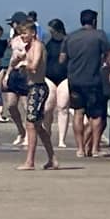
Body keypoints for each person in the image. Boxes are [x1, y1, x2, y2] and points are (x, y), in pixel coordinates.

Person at [64, 9, 110, 158]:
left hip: (74, 80)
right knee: (96, 115)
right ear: (94, 21)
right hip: (93, 81)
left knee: (78, 113)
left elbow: (62, 59)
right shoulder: (100, 35)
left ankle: (80, 149)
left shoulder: (70, 37)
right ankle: (95, 148)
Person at [13, 19, 58, 170]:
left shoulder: (38, 46)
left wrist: (24, 63)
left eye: (25, 33)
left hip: (38, 87)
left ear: (33, 33)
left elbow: (35, 65)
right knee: (37, 126)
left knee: (31, 124)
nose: (23, 36)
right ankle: (52, 158)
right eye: (21, 34)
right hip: (32, 87)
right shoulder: (28, 47)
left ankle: (30, 161)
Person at [44, 19, 72, 148]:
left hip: (65, 77)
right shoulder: (48, 44)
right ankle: (47, 132)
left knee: (62, 107)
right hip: (49, 77)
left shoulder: (68, 42)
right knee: (48, 107)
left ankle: (62, 139)